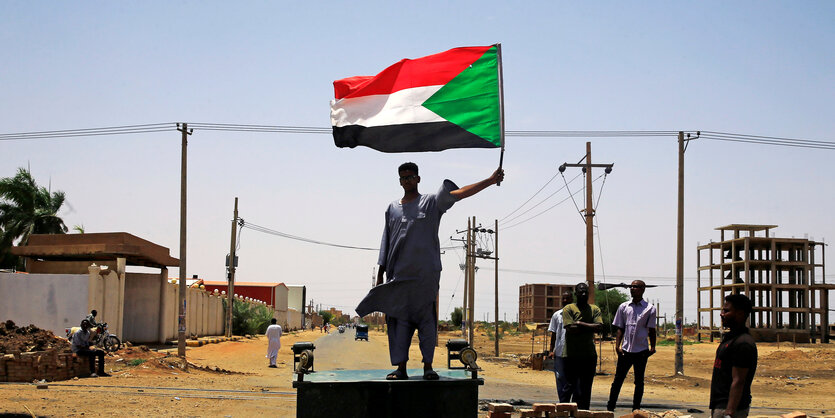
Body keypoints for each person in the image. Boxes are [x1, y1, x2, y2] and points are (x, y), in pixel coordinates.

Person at [356, 162, 504, 381]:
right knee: (399, 323)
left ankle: (428, 367)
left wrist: (490, 181)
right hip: (398, 279)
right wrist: (380, 277)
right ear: (400, 181)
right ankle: (401, 368)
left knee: (427, 322)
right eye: (403, 178)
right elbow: (385, 244)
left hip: (425, 279)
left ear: (418, 179)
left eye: (411, 176)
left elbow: (460, 193)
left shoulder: (431, 203)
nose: (407, 180)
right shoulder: (392, 208)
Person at [607, 280, 657, 412]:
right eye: (631, 287)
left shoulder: (650, 308)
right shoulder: (624, 307)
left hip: (641, 351)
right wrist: (617, 346)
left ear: (643, 289)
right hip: (625, 351)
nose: (632, 289)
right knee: (618, 380)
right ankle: (610, 408)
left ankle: (636, 409)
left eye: (635, 287)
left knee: (639, 382)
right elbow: (620, 328)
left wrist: (653, 347)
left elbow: (652, 330)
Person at [710, 293, 757, 418]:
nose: (722, 314)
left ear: (740, 313)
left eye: (726, 311)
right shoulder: (730, 339)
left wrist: (729, 413)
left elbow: (739, 380)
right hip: (720, 405)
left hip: (730, 409)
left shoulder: (743, 343)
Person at [562, 282, 603, 410]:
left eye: (585, 292)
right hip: (571, 355)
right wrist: (589, 326)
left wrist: (579, 323)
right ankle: (564, 411)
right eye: (581, 292)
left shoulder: (594, 309)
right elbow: (570, 328)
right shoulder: (569, 308)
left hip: (588, 355)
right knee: (569, 386)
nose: (583, 294)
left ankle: (584, 412)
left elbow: (600, 327)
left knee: (586, 387)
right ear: (576, 294)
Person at [547, 291, 574, 402]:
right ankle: (563, 403)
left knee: (572, 379)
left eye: (567, 298)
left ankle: (570, 402)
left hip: (573, 353)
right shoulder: (557, 315)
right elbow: (553, 334)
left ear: (572, 299)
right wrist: (551, 350)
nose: (565, 301)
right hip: (559, 352)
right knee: (560, 378)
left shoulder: (576, 314)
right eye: (563, 298)